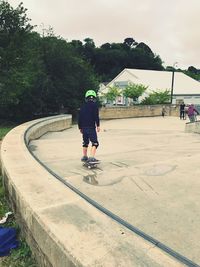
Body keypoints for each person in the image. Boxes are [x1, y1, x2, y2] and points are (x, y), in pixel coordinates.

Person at [78, 90, 100, 163]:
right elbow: (96, 117)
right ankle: (91, 157)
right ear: (94, 98)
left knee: (85, 142)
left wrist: (80, 127)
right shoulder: (95, 106)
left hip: (84, 128)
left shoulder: (82, 106)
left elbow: (80, 118)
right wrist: (98, 125)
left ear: (86, 98)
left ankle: (84, 157)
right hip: (91, 128)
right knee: (95, 143)